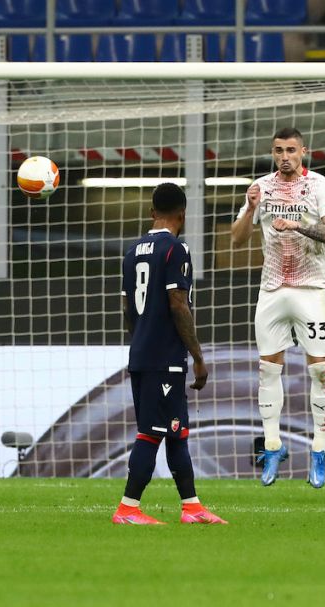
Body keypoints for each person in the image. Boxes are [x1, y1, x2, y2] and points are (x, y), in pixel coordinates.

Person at [231, 127, 325, 488]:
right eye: (278, 150)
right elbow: (237, 238)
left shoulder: (321, 187)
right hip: (272, 289)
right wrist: (250, 208)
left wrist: (297, 224)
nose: (284, 156)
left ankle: (319, 450)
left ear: (303, 151)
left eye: (291, 150)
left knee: (320, 372)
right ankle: (274, 445)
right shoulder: (260, 187)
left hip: (311, 288)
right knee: (267, 370)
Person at [114, 183, 225, 525]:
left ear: (152, 213)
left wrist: (144, 337)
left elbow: (126, 306)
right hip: (164, 357)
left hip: (144, 353)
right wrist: (198, 356)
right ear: (183, 214)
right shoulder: (175, 249)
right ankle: (128, 508)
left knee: (177, 431)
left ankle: (191, 506)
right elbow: (179, 303)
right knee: (152, 432)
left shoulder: (132, 252)